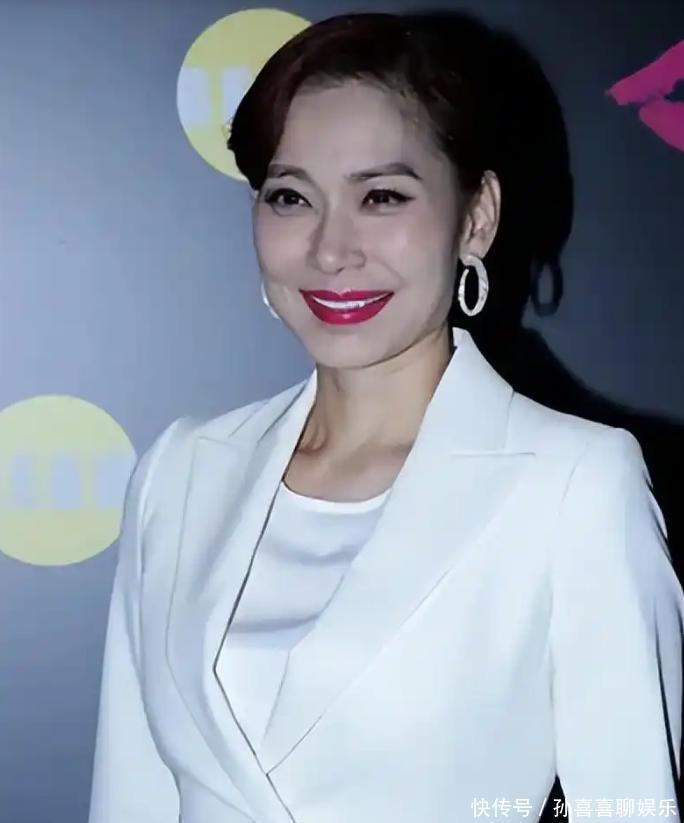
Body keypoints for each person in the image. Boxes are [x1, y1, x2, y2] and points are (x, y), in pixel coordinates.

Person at [88, 11, 684, 823]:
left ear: (476, 217)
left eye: (382, 196)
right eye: (291, 196)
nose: (331, 249)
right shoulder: (182, 471)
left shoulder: (576, 484)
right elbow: (130, 798)